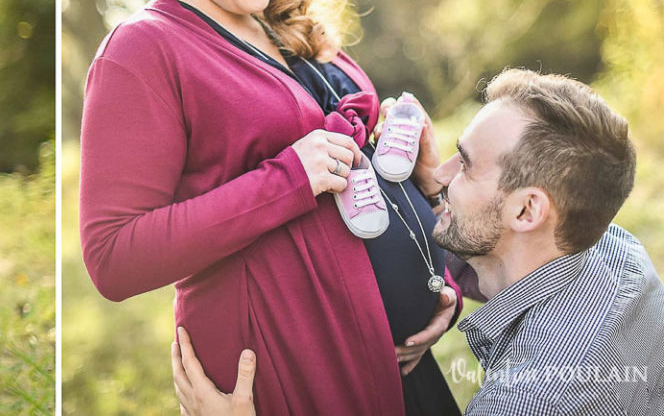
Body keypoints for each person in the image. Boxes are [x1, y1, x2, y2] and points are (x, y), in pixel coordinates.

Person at [78, 0, 460, 413]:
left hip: (400, 364)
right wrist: (289, 179)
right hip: (296, 374)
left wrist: (439, 275)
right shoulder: (143, 52)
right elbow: (113, 257)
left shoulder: (282, 20)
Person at [176, 69, 664, 415]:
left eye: (465, 163)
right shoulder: (614, 252)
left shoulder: (528, 401)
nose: (442, 174)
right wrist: (433, 194)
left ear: (527, 211)